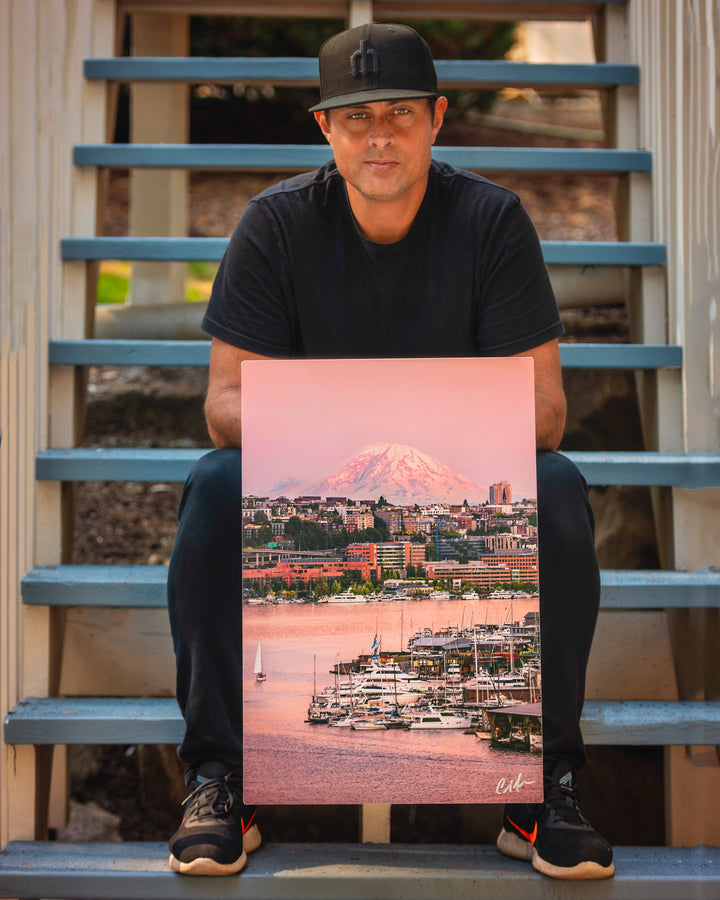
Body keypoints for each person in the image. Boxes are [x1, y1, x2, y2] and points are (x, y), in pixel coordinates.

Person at [167, 22, 614, 881]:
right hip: (314, 489)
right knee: (217, 486)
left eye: (401, 113)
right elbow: (223, 406)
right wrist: (362, 433)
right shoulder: (274, 225)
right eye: (357, 115)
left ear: (438, 118)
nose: (379, 135)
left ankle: (538, 788)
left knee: (556, 490)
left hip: (455, 485)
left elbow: (547, 412)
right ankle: (223, 779)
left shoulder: (491, 221)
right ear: (324, 128)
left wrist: (373, 424)